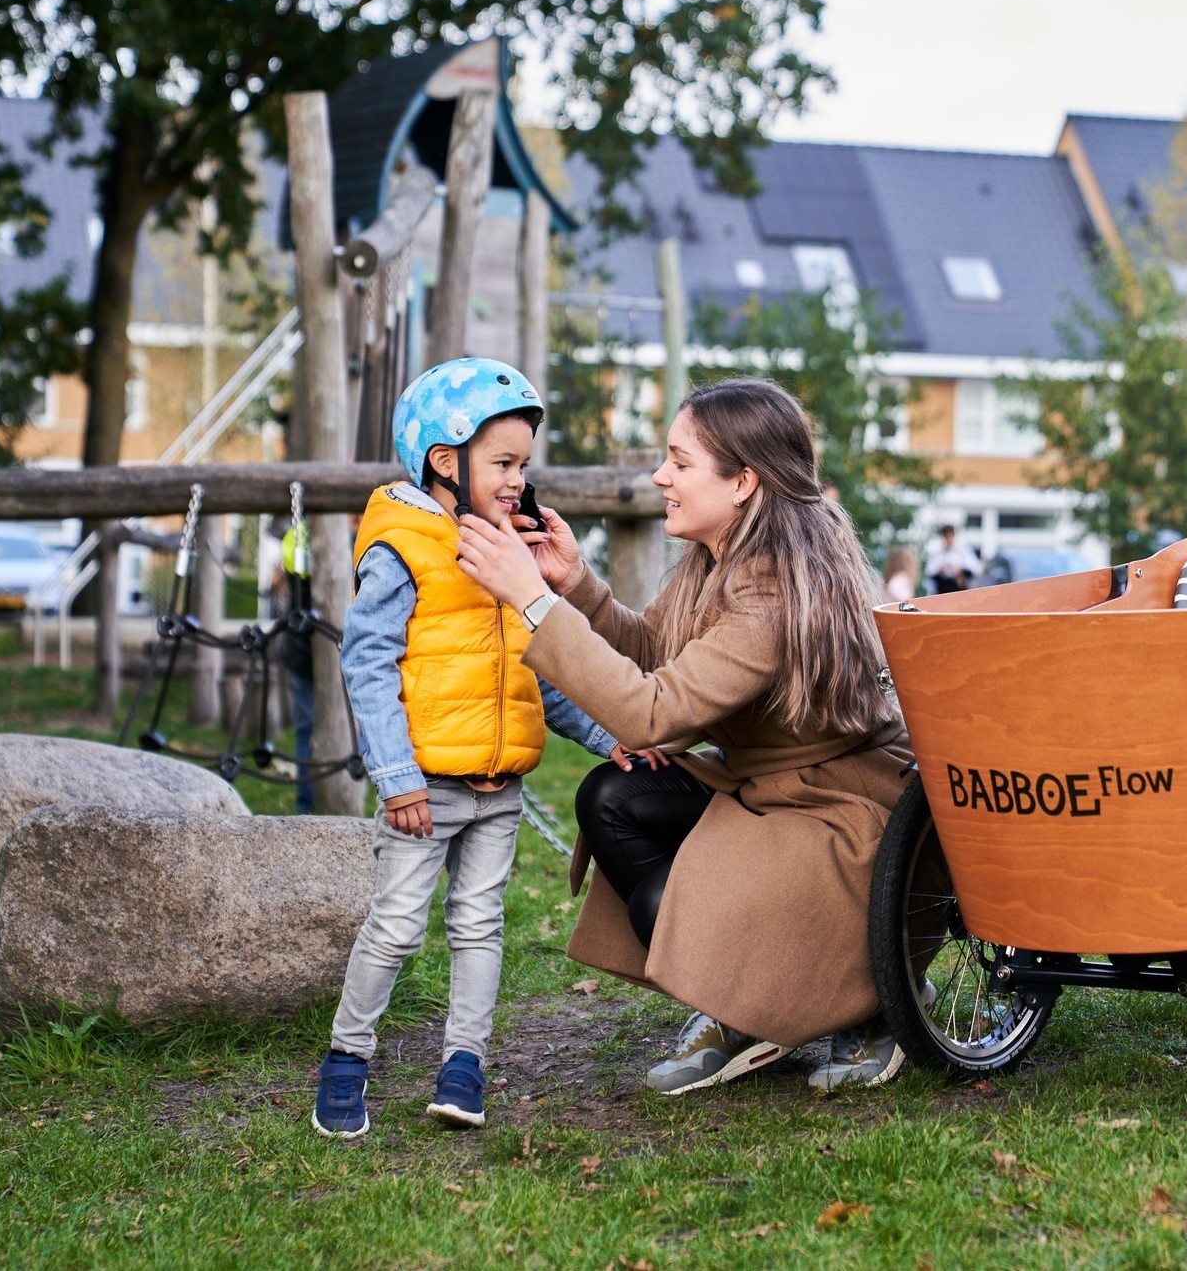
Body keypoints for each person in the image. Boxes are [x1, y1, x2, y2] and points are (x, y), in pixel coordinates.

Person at [454, 378, 913, 1096]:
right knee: (612, 796)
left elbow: (650, 713)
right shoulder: (715, 559)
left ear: (743, 483)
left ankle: (862, 1003)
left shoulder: (772, 592)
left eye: (679, 461)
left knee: (662, 907)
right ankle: (744, 1007)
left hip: (838, 812)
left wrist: (533, 601)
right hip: (764, 793)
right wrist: (575, 584)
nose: (660, 476)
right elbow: (654, 654)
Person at [311, 357, 624, 1140]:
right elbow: (366, 665)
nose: (519, 478)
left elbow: (538, 674)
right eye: (504, 463)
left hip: (499, 790)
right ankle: (347, 1059)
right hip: (425, 790)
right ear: (445, 463)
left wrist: (610, 737)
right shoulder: (403, 548)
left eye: (524, 464)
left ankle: (464, 1065)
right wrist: (396, 779)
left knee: (480, 927)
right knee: (395, 927)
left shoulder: (506, 548)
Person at [274, 523, 316, 813]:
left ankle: (306, 804)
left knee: (305, 732)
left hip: (300, 648)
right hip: (321, 649)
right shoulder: (349, 541)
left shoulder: (294, 538)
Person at [925, 523, 980, 593]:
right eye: (946, 537)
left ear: (954, 535)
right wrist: (941, 571)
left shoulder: (963, 551)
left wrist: (961, 570)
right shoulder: (937, 553)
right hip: (943, 589)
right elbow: (930, 571)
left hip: (960, 588)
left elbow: (974, 567)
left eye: (950, 536)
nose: (948, 539)